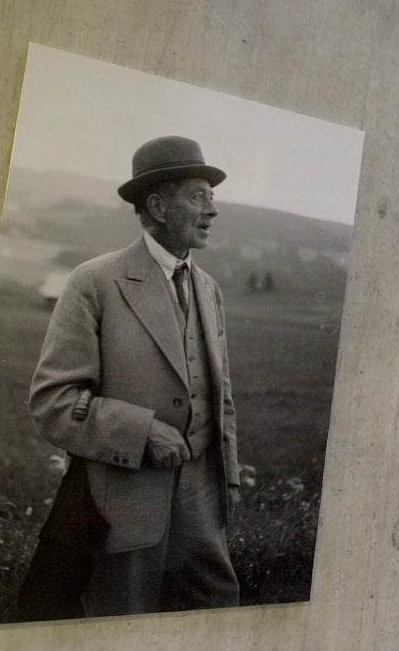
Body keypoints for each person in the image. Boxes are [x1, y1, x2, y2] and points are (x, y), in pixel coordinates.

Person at [23, 135, 241, 617]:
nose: (212, 210)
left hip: (203, 504)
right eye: (198, 196)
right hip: (122, 503)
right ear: (159, 206)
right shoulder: (94, 282)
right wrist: (142, 433)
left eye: (213, 197)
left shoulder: (209, 289)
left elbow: (221, 396)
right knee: (123, 621)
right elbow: (53, 401)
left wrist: (225, 485)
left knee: (216, 615)